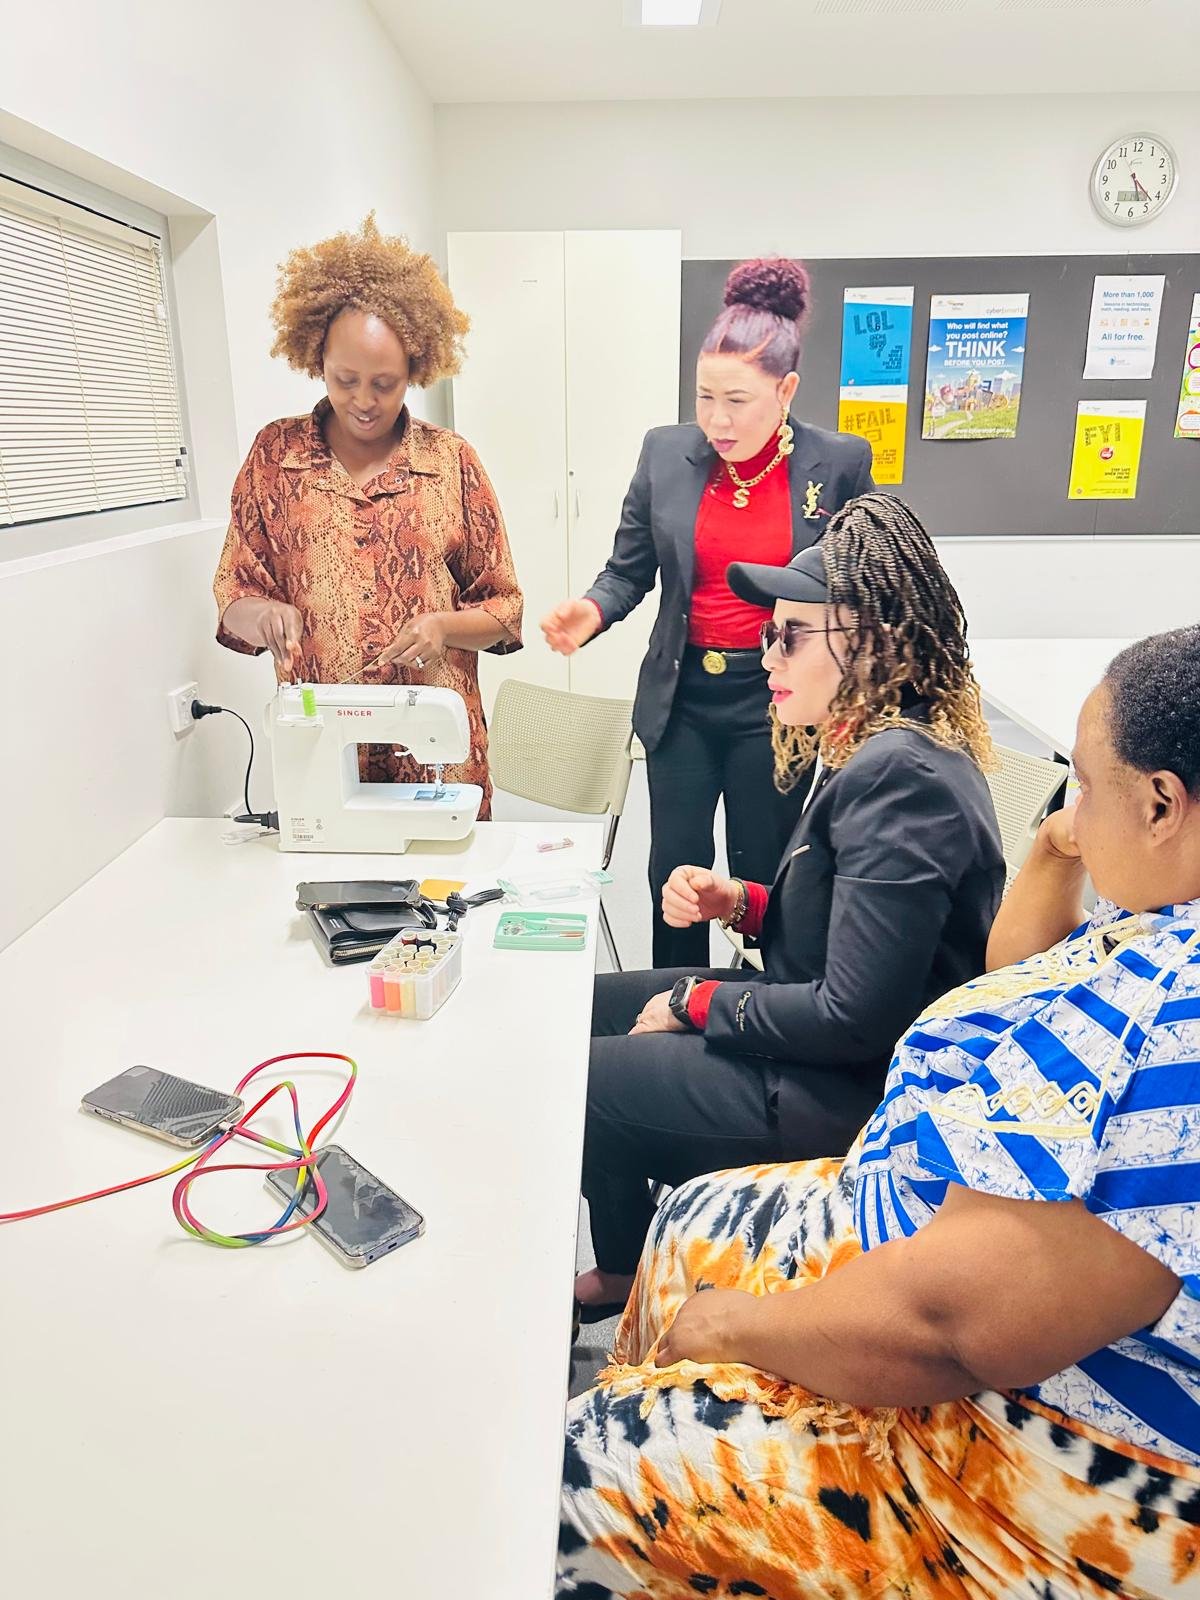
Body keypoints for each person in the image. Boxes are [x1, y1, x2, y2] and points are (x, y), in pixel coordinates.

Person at [558, 625, 1200, 1600]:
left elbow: (951, 1327)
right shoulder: (1160, 884)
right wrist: (1065, 836)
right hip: (917, 1221)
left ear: (1161, 802)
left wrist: (738, 1330)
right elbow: (1021, 977)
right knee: (685, 1226)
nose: (761, 659)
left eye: (1087, 777)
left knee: (571, 1471)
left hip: (1012, 1462)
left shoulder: (1180, 1024)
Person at [574, 495, 1004, 1327]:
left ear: (872, 643)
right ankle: (633, 1267)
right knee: (584, 1009)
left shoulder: (901, 777)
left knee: (580, 1081)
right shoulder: (878, 746)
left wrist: (697, 1003)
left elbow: (854, 1015)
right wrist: (746, 903)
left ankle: (639, 1279)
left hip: (847, 1090)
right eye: (769, 631)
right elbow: (857, 928)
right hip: (821, 1044)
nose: (763, 651)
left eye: (790, 635)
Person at [541, 258, 875, 965]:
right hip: (684, 697)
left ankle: (758, 1007)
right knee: (678, 872)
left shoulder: (836, 464)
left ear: (785, 390)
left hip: (777, 700)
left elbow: (860, 589)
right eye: (704, 397)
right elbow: (628, 569)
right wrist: (592, 611)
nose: (717, 420)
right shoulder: (667, 454)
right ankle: (674, 1003)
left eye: (739, 400)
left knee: (765, 872)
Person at [213, 215, 522, 815]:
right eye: (344, 379)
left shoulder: (450, 462)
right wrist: (265, 615)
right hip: (323, 746)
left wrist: (443, 627)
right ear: (316, 360)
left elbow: (504, 610)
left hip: (435, 749)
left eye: (385, 383)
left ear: (415, 369)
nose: (363, 401)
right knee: (330, 897)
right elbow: (235, 593)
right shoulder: (275, 457)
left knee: (448, 896)